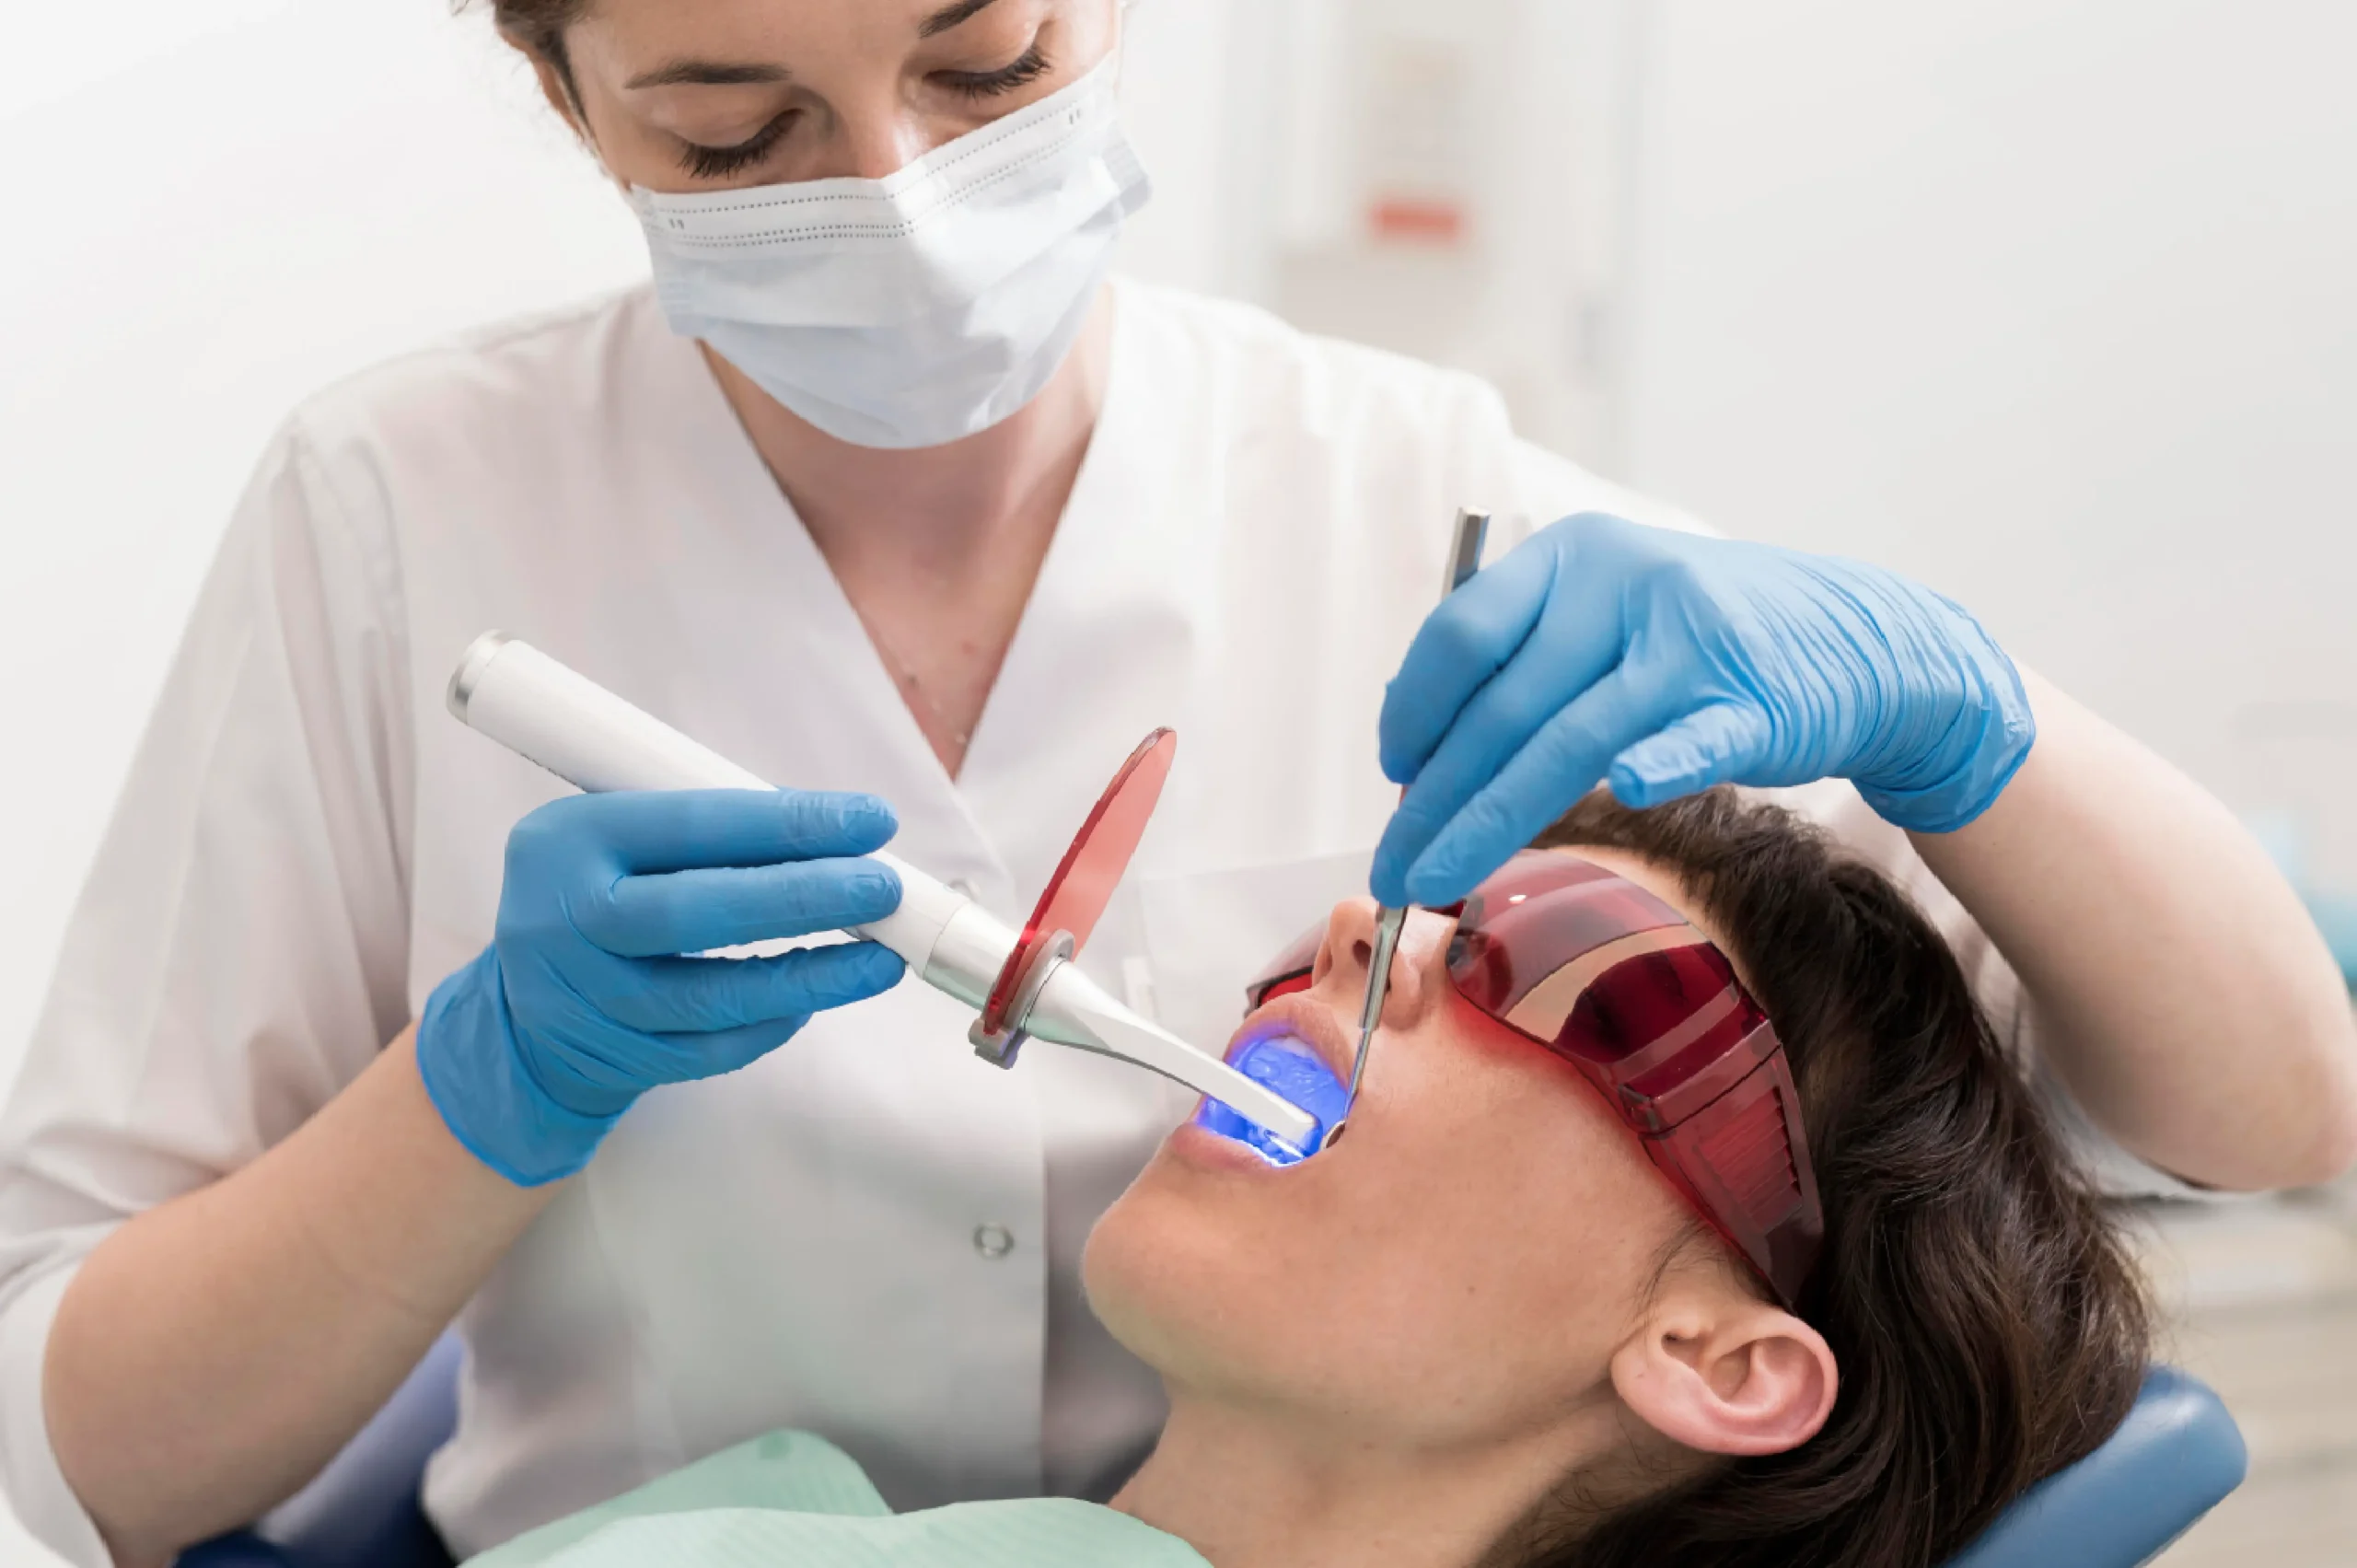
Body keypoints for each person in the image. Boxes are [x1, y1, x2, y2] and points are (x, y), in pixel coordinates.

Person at [0, 1, 2347, 1563]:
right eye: (734, 129)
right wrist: (470, 1103)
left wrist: (1954, 705)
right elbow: (86, 1437)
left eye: (988, 57)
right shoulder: (396, 517)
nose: (896, 186)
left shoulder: (1418, 500)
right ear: (569, 96)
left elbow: (2258, 1108)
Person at [446, 790, 2157, 1568]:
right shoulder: (786, 1507)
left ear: (1717, 1357)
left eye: (1564, 967)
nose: (1352, 927)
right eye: (1419, 912)